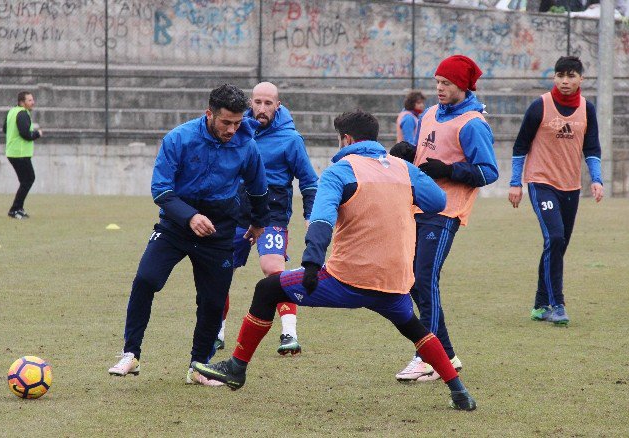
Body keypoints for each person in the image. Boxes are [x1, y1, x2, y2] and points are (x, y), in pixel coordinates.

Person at [192, 110, 478, 411]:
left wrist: (312, 263)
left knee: (268, 289)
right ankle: (458, 391)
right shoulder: (401, 170)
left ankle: (236, 368)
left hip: (347, 279)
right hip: (394, 281)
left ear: (347, 139)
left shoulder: (340, 171)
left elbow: (322, 220)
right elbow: (438, 202)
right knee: (415, 328)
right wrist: (408, 170)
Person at [108, 84, 270, 386]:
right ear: (209, 114)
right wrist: (189, 216)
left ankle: (199, 366)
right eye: (226, 122)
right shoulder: (179, 138)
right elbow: (161, 190)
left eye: (238, 122)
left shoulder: (247, 145)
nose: (233, 129)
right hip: (176, 225)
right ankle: (131, 354)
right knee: (146, 280)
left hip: (219, 230)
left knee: (212, 300)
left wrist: (259, 222)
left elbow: (258, 188)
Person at [393, 55, 498, 383]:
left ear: (462, 86)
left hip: (445, 211)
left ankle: (427, 357)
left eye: (447, 84)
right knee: (410, 278)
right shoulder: (428, 114)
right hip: (416, 206)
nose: (439, 88)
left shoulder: (473, 123)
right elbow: (427, 154)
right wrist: (408, 154)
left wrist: (449, 170)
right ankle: (446, 353)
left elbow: (488, 171)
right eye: (437, 82)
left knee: (424, 279)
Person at [216, 82, 318, 355]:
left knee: (273, 269)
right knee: (219, 270)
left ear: (278, 105)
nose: (262, 109)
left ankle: (289, 334)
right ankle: (217, 332)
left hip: (272, 212)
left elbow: (308, 181)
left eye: (268, 103)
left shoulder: (291, 139)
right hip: (237, 211)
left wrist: (311, 215)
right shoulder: (238, 130)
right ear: (251, 103)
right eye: (258, 102)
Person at [508, 56, 603, 326]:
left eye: (571, 75)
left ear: (581, 79)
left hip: (571, 187)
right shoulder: (540, 106)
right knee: (556, 238)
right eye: (560, 75)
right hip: (541, 183)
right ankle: (557, 304)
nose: (565, 80)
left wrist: (597, 179)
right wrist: (515, 183)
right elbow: (520, 147)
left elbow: (592, 148)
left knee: (557, 245)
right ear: (553, 77)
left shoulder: (588, 109)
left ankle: (539, 303)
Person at [3, 91, 42, 219]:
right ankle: (15, 209)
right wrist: (37, 134)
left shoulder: (12, 112)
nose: (32, 102)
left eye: (32, 99)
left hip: (13, 152)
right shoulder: (23, 113)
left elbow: (5, 129)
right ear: (22, 102)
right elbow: (25, 134)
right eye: (29, 100)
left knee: (25, 181)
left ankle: (18, 208)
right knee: (29, 178)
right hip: (20, 153)